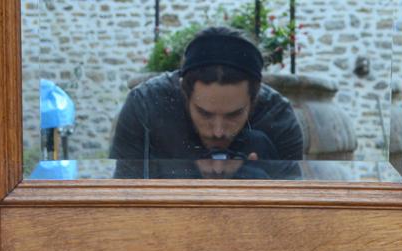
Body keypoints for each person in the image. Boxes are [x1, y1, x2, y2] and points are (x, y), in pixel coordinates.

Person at [109, 26, 304, 180]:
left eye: (234, 114)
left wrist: (257, 184)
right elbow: (124, 195)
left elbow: (298, 213)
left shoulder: (278, 118)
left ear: (255, 100)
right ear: (184, 94)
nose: (218, 131)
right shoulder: (145, 106)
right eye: (204, 113)